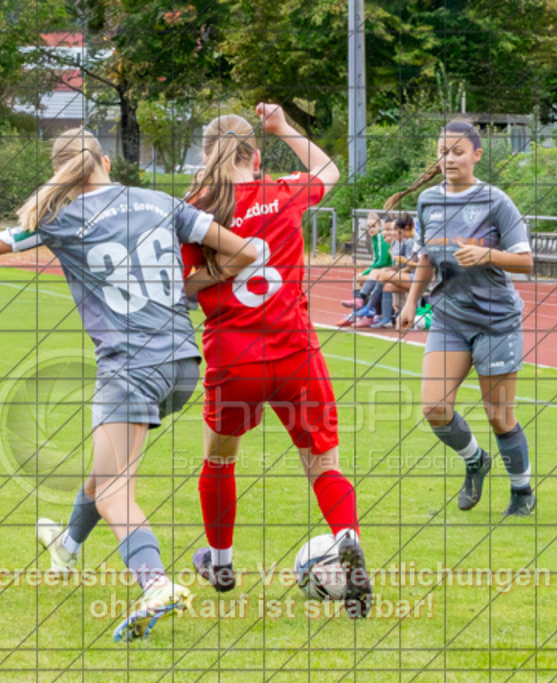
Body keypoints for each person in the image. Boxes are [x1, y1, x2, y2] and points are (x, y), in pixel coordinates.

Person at [0, 128, 257, 642]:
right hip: (182, 365)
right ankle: (65, 546)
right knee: (104, 470)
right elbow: (245, 252)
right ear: (106, 162)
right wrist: (186, 287)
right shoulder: (158, 200)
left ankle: (156, 584)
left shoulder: (59, 216)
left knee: (114, 491)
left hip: (130, 367)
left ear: (61, 170)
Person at [182, 103, 373, 618]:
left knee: (220, 458)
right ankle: (347, 538)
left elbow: (180, 283)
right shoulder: (282, 191)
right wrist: (284, 127)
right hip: (294, 350)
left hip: (234, 356)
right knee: (322, 464)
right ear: (253, 154)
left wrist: (219, 271)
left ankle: (220, 561)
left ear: (206, 154)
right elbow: (330, 171)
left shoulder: (195, 208)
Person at [397, 119, 537, 517]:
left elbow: (527, 262)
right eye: (443, 152)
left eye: (458, 152)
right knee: (434, 408)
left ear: (477, 154)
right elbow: (426, 258)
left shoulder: (496, 201)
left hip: (495, 321)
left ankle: (522, 491)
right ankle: (475, 460)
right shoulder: (427, 200)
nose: (449, 159)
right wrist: (410, 303)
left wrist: (487, 255)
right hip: (449, 319)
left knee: (499, 417)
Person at [341, 211, 393, 310]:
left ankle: (359, 308)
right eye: (368, 227)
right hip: (379, 270)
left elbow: (382, 262)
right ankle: (357, 308)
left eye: (373, 226)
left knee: (359, 278)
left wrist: (366, 272)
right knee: (357, 278)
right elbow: (376, 261)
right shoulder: (374, 239)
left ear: (379, 226)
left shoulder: (381, 239)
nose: (370, 229)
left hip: (386, 270)